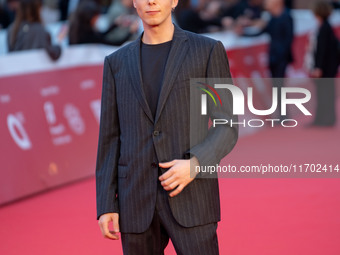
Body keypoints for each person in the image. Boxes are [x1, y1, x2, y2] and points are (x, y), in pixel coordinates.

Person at [95, 0, 238, 254]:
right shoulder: (116, 63)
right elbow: (109, 138)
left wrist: (195, 164)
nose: (151, 1)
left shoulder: (206, 51)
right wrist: (106, 203)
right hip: (135, 202)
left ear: (173, 1)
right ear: (134, 3)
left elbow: (227, 124)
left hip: (192, 196)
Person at [309, 1, 338, 127]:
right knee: (327, 93)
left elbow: (322, 50)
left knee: (324, 93)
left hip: (325, 68)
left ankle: (324, 119)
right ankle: (326, 118)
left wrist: (318, 67)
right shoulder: (326, 27)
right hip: (329, 68)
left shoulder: (324, 29)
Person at [68, 0, 138, 46]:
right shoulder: (87, 36)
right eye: (96, 17)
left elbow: (101, 36)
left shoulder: (77, 29)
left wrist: (115, 24)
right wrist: (130, 32)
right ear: (89, 18)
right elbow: (113, 43)